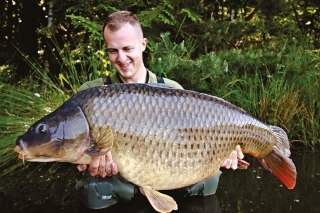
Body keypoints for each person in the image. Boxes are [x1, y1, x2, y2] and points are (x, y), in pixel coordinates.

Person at [75, 10, 244, 209]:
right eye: (113, 50)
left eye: (127, 48)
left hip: (168, 170)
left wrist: (221, 152)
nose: (121, 58)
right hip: (120, 176)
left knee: (209, 179)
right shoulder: (92, 93)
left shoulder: (172, 90)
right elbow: (77, 147)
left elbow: (191, 139)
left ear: (143, 45)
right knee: (94, 190)